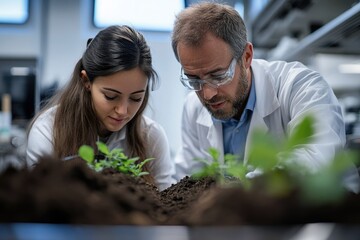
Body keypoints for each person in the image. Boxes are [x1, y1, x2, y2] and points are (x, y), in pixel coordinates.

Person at [171, 2, 359, 191]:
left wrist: (234, 193)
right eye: (194, 79)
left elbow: (311, 159)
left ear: (246, 56)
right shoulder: (193, 107)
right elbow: (186, 182)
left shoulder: (302, 87)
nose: (207, 94)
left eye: (218, 76)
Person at [26, 25, 175, 191]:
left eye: (136, 98)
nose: (123, 111)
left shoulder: (151, 136)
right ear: (86, 81)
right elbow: (41, 202)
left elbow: (166, 204)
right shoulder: (48, 131)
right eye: (111, 96)